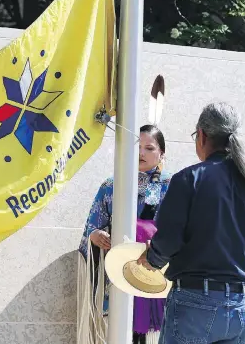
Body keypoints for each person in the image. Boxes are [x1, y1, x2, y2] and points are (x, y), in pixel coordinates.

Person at [138, 102, 245, 344]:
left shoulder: (188, 179)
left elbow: (168, 240)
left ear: (201, 136)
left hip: (192, 303)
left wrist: (151, 259)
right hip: (238, 307)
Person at [77, 125, 172, 344]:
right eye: (138, 147)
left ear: (161, 154)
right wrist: (96, 236)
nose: (141, 153)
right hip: (121, 274)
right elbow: (91, 228)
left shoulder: (174, 186)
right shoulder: (111, 185)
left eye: (149, 148)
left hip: (159, 275)